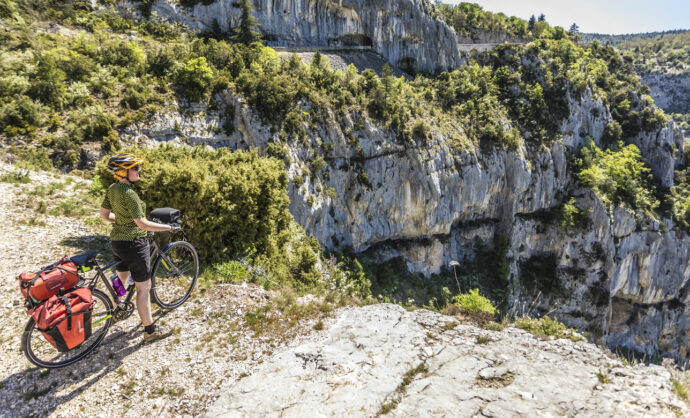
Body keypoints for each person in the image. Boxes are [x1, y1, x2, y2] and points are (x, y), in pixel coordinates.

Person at [99, 153, 175, 343]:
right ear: (124, 172)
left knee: (121, 277)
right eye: (135, 168)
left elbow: (104, 216)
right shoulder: (130, 194)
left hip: (117, 243)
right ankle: (150, 330)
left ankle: (119, 305)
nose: (139, 170)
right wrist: (168, 227)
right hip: (134, 244)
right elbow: (142, 224)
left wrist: (124, 221)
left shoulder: (112, 189)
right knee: (144, 287)